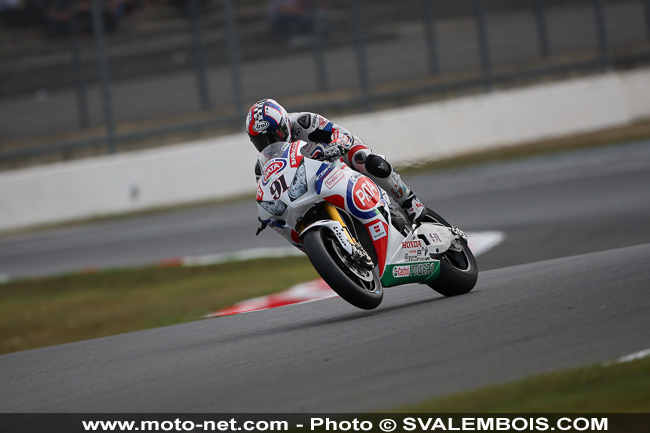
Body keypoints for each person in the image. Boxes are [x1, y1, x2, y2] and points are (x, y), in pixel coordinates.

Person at [246, 98, 426, 224]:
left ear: (285, 124)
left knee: (364, 159)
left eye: (275, 135)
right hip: (308, 187)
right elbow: (270, 194)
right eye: (261, 141)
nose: (271, 143)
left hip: (335, 160)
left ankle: (409, 201)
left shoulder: (304, 122)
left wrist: (335, 146)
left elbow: (341, 133)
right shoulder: (261, 168)